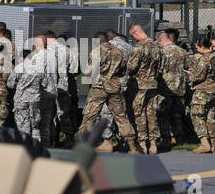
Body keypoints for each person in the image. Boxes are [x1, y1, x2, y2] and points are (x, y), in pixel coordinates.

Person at [80, 29, 137, 153]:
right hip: (115, 87)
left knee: (89, 116)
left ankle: (83, 145)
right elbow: (123, 71)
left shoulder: (97, 52)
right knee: (121, 117)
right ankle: (132, 147)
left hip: (99, 88)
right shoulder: (119, 52)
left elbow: (88, 72)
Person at [126, 24, 162, 154]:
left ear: (136, 33)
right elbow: (160, 67)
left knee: (139, 115)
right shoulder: (157, 46)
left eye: (132, 36)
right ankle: (153, 144)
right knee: (152, 114)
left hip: (139, 86)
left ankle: (142, 144)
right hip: (153, 84)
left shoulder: (139, 48)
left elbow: (131, 67)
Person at [187, 35, 215, 154]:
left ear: (201, 46)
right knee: (211, 116)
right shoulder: (214, 56)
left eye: (197, 46)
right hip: (214, 89)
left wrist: (189, 75)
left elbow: (198, 76)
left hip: (203, 90)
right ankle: (213, 144)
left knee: (196, 114)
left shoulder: (205, 59)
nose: (196, 49)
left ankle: (205, 143)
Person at [156, 28, 189, 149]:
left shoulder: (162, 52)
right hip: (180, 87)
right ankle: (178, 137)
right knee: (178, 113)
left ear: (161, 41)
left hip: (166, 88)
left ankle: (166, 138)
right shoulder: (182, 52)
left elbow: (158, 70)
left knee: (164, 114)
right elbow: (189, 68)